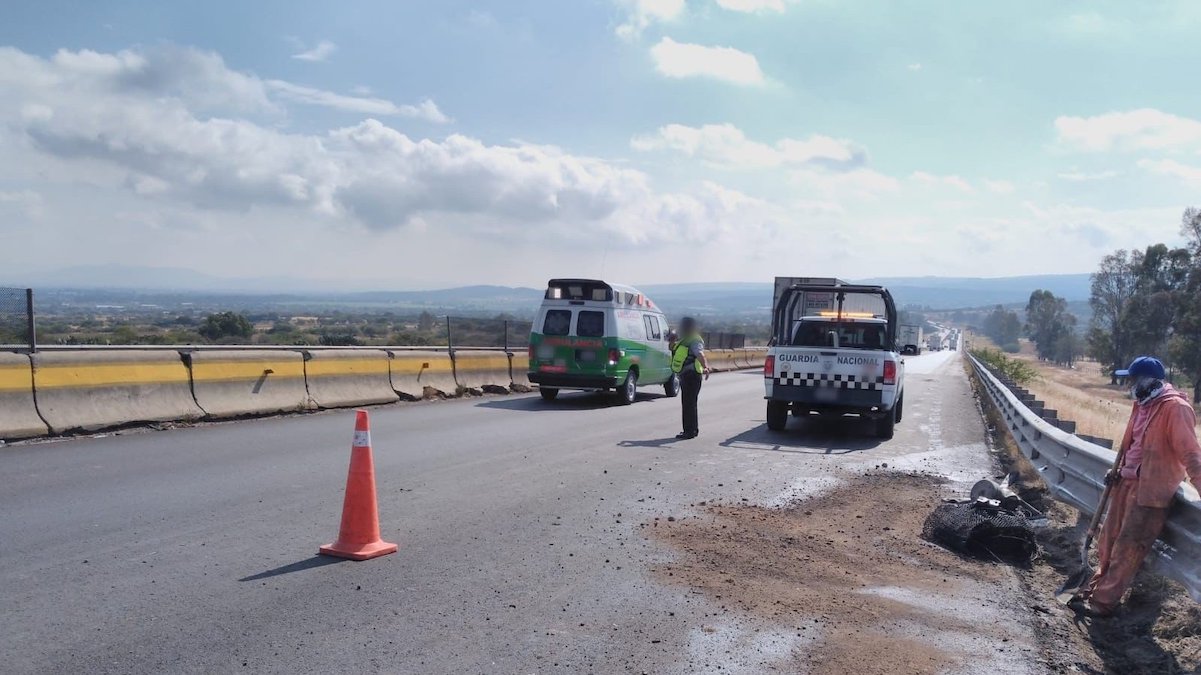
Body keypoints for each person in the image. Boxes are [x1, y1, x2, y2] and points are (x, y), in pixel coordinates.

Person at [1079, 356, 1201, 616]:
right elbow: (1132, 445)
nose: (1128, 386)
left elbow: (1191, 455)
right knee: (1108, 542)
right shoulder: (1142, 404)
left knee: (1128, 548)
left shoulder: (1175, 408)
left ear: (1148, 380)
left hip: (1150, 493)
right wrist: (1118, 470)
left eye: (1132, 380)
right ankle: (1095, 588)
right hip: (1125, 482)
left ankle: (1102, 603)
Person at [670, 317, 710, 440]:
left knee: (689, 403)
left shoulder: (694, 339)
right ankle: (691, 429)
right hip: (686, 376)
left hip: (692, 376)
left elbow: (699, 354)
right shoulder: (685, 339)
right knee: (689, 403)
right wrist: (671, 341)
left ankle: (690, 431)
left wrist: (706, 367)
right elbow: (673, 349)